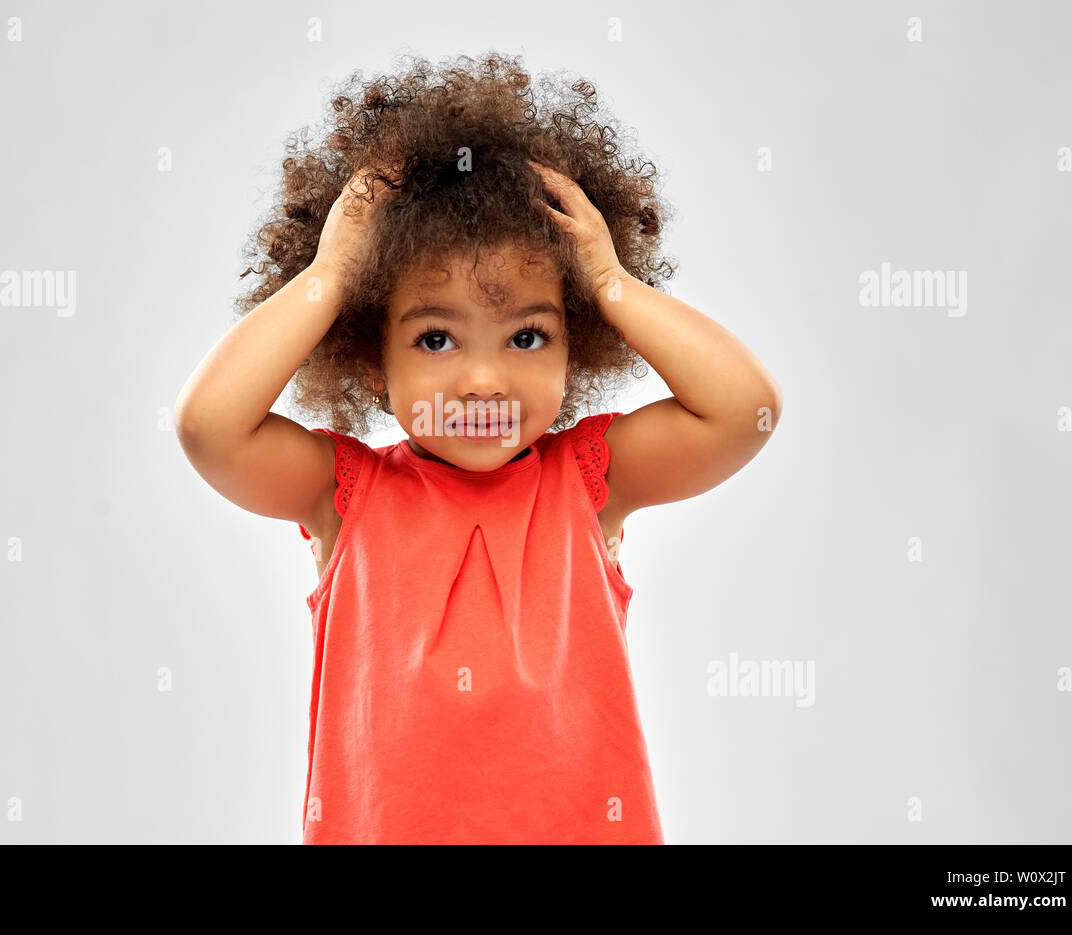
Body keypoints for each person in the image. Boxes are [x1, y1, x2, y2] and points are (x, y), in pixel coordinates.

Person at [175, 52, 783, 844]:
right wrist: (333, 272)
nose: (484, 379)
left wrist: (608, 279)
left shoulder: (589, 480)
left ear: (578, 344)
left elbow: (747, 410)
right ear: (368, 355)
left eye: (528, 334)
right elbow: (207, 427)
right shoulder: (344, 493)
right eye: (436, 337)